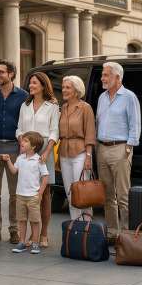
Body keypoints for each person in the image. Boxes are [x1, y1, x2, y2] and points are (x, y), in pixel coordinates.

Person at [96, 62, 141, 243]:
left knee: (123, 195)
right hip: (102, 148)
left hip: (120, 148)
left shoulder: (129, 97)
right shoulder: (101, 97)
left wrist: (128, 148)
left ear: (117, 77)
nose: (102, 78)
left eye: (106, 75)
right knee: (107, 195)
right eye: (103, 75)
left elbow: (135, 125)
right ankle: (113, 233)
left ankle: (126, 235)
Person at [0, 60, 28, 245]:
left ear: (11, 74)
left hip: (14, 148)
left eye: (1, 72)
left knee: (14, 193)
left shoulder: (24, 96)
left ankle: (14, 229)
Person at [15, 72, 59, 248]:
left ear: (43, 85)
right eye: (30, 83)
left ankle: (44, 234)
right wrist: (22, 143)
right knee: (27, 192)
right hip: (26, 153)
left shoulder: (52, 106)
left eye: (34, 83)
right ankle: (26, 236)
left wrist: (47, 151)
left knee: (44, 194)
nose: (31, 86)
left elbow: (55, 131)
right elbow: (18, 129)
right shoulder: (25, 106)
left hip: (44, 152)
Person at [1, 131, 48, 254]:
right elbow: (14, 171)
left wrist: (40, 193)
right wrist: (8, 161)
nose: (22, 142)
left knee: (34, 220)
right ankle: (22, 242)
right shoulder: (20, 158)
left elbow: (45, 177)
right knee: (21, 220)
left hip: (33, 196)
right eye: (23, 140)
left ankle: (35, 243)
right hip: (20, 195)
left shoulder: (39, 160)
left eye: (25, 141)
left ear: (33, 147)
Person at [58, 75, 97, 220]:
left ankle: (87, 225)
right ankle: (75, 226)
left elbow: (90, 133)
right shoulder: (63, 107)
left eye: (68, 87)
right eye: (63, 87)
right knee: (70, 192)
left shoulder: (85, 108)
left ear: (76, 90)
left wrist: (88, 156)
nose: (64, 90)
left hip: (80, 152)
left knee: (82, 191)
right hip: (64, 153)